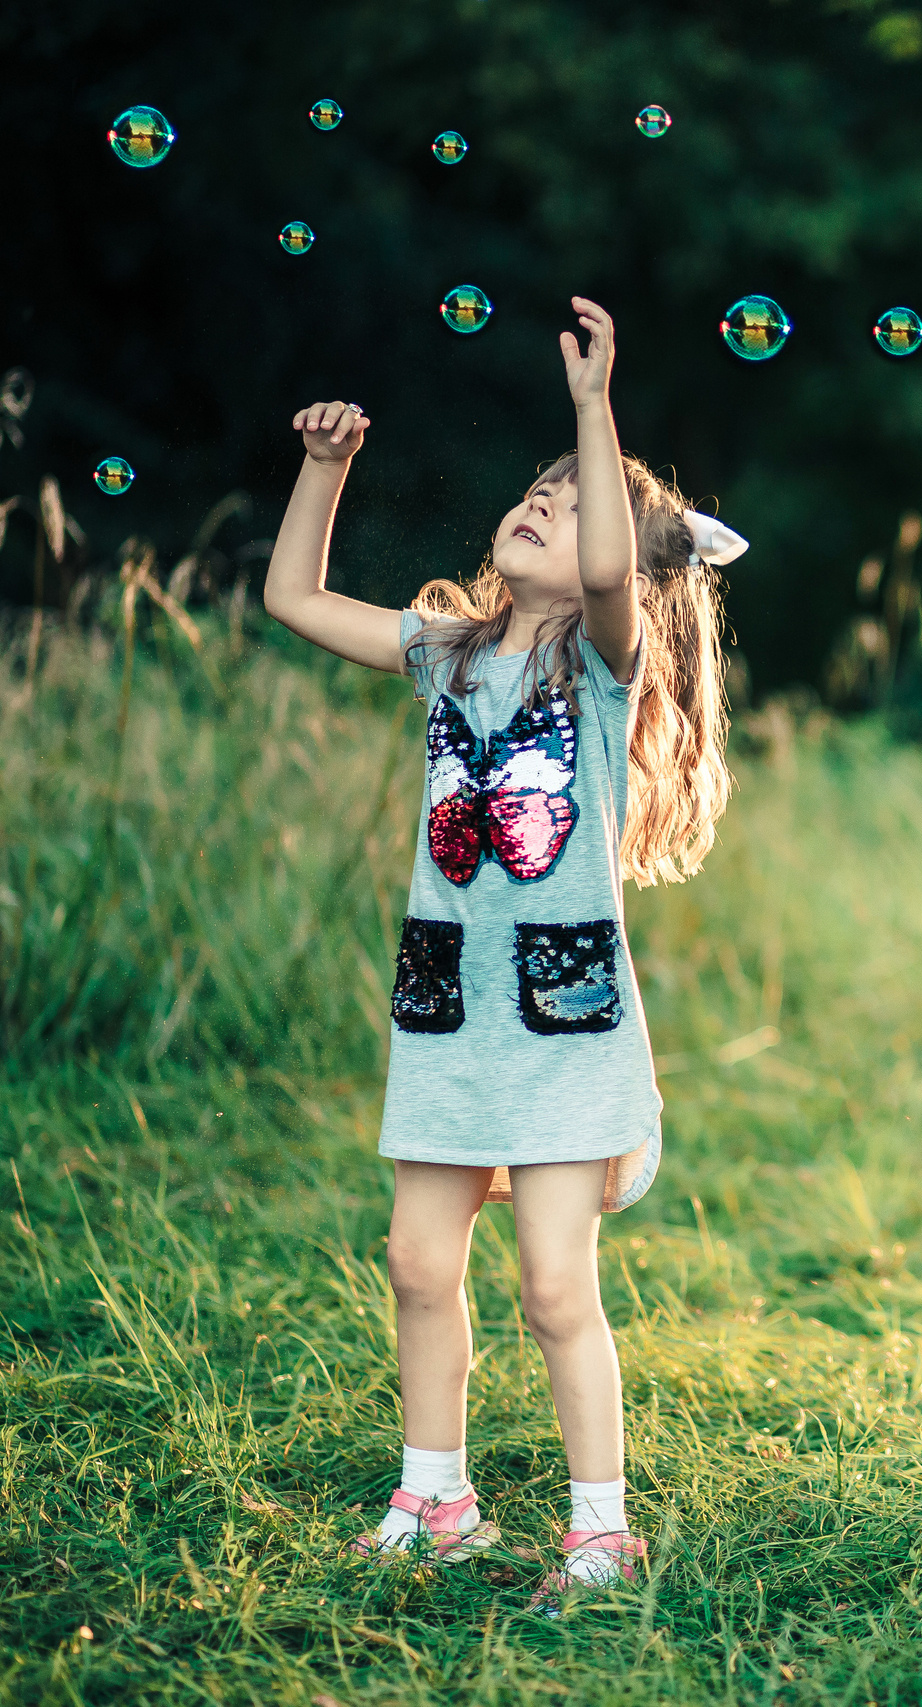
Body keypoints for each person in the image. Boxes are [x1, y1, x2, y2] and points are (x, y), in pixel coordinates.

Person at [261, 297, 741, 1605]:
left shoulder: (600, 668)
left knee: (549, 1287)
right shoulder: (446, 652)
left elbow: (601, 574)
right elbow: (292, 596)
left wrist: (593, 410)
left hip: (565, 1028)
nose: (540, 504)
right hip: (447, 1017)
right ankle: (438, 1499)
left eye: (570, 500)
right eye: (532, 489)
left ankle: (600, 1530)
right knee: (419, 1264)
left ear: (626, 576)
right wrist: (325, 468)